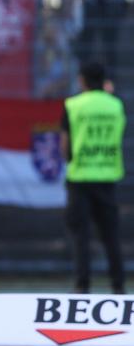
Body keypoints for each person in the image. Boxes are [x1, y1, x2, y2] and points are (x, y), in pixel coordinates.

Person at [60, 62, 126, 295]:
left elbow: (65, 144)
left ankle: (82, 286)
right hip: (107, 176)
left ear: (82, 80)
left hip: (80, 177)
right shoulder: (115, 105)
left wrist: (70, 159)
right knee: (111, 235)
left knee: (81, 235)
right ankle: (118, 286)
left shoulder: (73, 105)